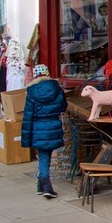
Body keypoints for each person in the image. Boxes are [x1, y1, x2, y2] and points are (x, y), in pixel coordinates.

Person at [21, 64, 68, 198]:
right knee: (46, 154)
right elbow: (63, 106)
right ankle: (41, 184)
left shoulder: (31, 91)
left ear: (35, 75)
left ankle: (45, 185)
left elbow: (28, 115)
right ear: (47, 73)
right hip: (53, 123)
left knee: (43, 155)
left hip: (38, 126)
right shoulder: (56, 88)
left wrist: (26, 136)